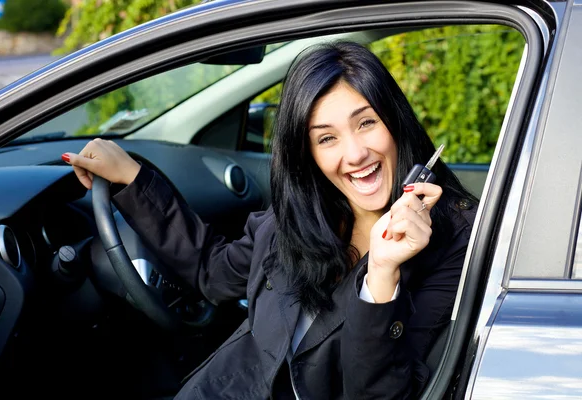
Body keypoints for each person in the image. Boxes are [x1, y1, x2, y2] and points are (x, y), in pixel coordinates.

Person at [62, 41, 477, 399]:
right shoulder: (302, 214)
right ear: (308, 154)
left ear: (395, 123)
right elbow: (213, 271)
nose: (354, 155)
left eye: (366, 123)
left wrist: (383, 274)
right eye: (327, 137)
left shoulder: (451, 241)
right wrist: (133, 179)